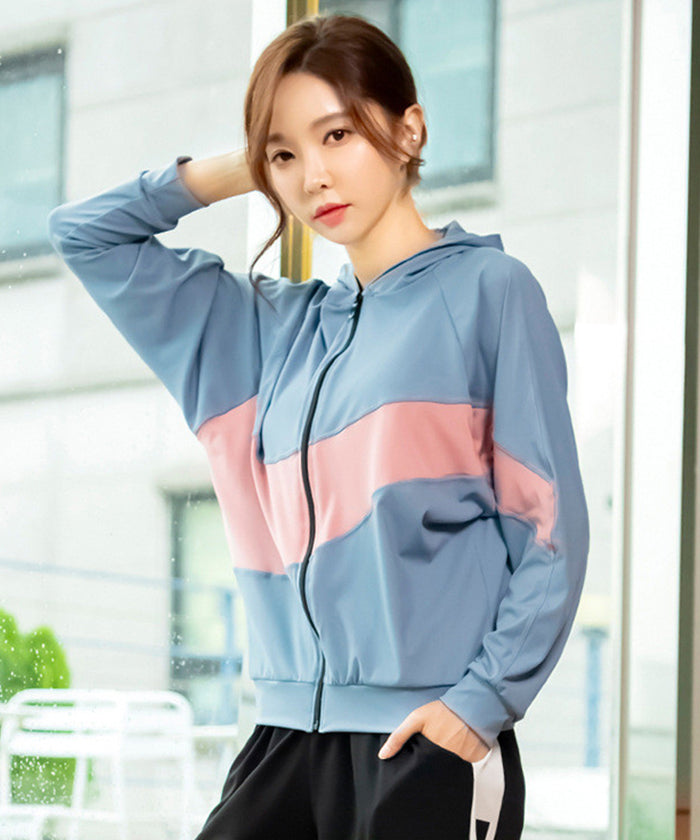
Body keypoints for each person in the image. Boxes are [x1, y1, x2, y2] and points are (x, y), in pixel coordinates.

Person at [47, 12, 589, 840]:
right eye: (286, 156)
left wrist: (477, 708)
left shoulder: (490, 293)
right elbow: (85, 236)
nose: (314, 177)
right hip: (284, 735)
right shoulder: (259, 333)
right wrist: (243, 164)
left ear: (409, 130)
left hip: (425, 738)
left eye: (338, 135)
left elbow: (548, 531)